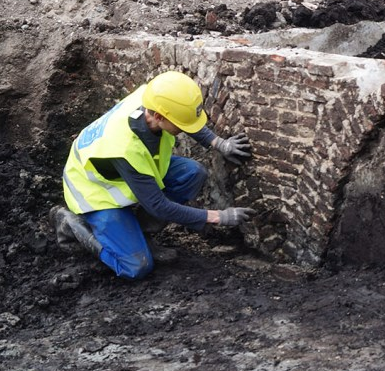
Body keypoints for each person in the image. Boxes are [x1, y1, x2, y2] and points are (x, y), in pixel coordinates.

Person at [51, 70, 254, 277]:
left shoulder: (153, 97)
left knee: (192, 173)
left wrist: (219, 143)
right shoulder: (125, 148)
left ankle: (143, 235)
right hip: (95, 191)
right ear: (158, 117)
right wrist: (218, 217)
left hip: (128, 171)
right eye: (180, 125)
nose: (184, 129)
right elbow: (158, 206)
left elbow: (182, 118)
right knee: (136, 267)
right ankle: (73, 226)